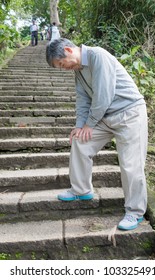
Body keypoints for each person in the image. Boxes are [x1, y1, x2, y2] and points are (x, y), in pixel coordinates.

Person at [46, 38, 148, 231]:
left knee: (131, 164)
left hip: (129, 113)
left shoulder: (98, 56)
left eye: (61, 64)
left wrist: (89, 124)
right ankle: (81, 189)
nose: (63, 68)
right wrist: (80, 125)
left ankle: (135, 212)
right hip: (105, 117)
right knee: (80, 141)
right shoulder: (78, 70)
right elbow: (83, 99)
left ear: (68, 50)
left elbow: (103, 95)